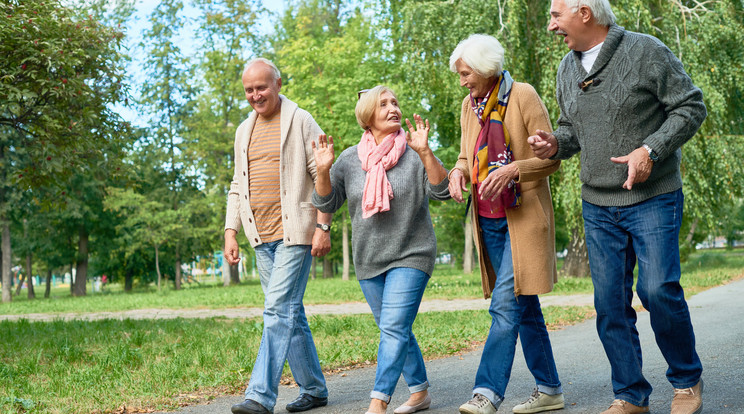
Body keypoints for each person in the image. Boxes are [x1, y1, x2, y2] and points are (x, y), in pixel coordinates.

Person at [528, 1, 706, 413]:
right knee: (609, 304)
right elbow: (574, 130)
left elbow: (691, 107)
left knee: (658, 290)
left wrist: (650, 149)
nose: (552, 25)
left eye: (556, 16)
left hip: (653, 197)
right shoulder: (566, 69)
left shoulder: (646, 50)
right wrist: (556, 142)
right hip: (598, 203)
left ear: (585, 12)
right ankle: (630, 395)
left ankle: (686, 382)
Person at [311, 85, 449, 414]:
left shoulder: (415, 150)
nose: (393, 108)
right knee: (395, 327)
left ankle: (378, 402)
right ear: (367, 116)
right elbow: (327, 201)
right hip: (369, 259)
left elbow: (442, 192)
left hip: (412, 253)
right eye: (383, 104)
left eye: (396, 102)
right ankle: (419, 392)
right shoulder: (347, 160)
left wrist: (427, 153)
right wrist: (322, 171)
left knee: (393, 327)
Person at [447, 34, 564, 414]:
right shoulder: (470, 106)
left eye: (466, 73)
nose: (462, 81)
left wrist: (515, 169)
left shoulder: (524, 95)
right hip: (490, 223)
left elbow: (552, 158)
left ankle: (487, 393)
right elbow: (467, 156)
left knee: (503, 308)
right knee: (523, 306)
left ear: (485, 69)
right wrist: (458, 171)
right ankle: (549, 389)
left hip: (523, 220)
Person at [224, 58, 332, 414]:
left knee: (276, 310)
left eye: (261, 87)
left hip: (295, 233)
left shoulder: (300, 120)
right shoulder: (244, 130)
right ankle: (314, 389)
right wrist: (231, 231)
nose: (256, 95)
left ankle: (259, 396)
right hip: (261, 236)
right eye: (249, 90)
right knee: (290, 313)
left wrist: (323, 226)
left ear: (278, 83)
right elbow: (237, 185)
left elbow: (322, 173)